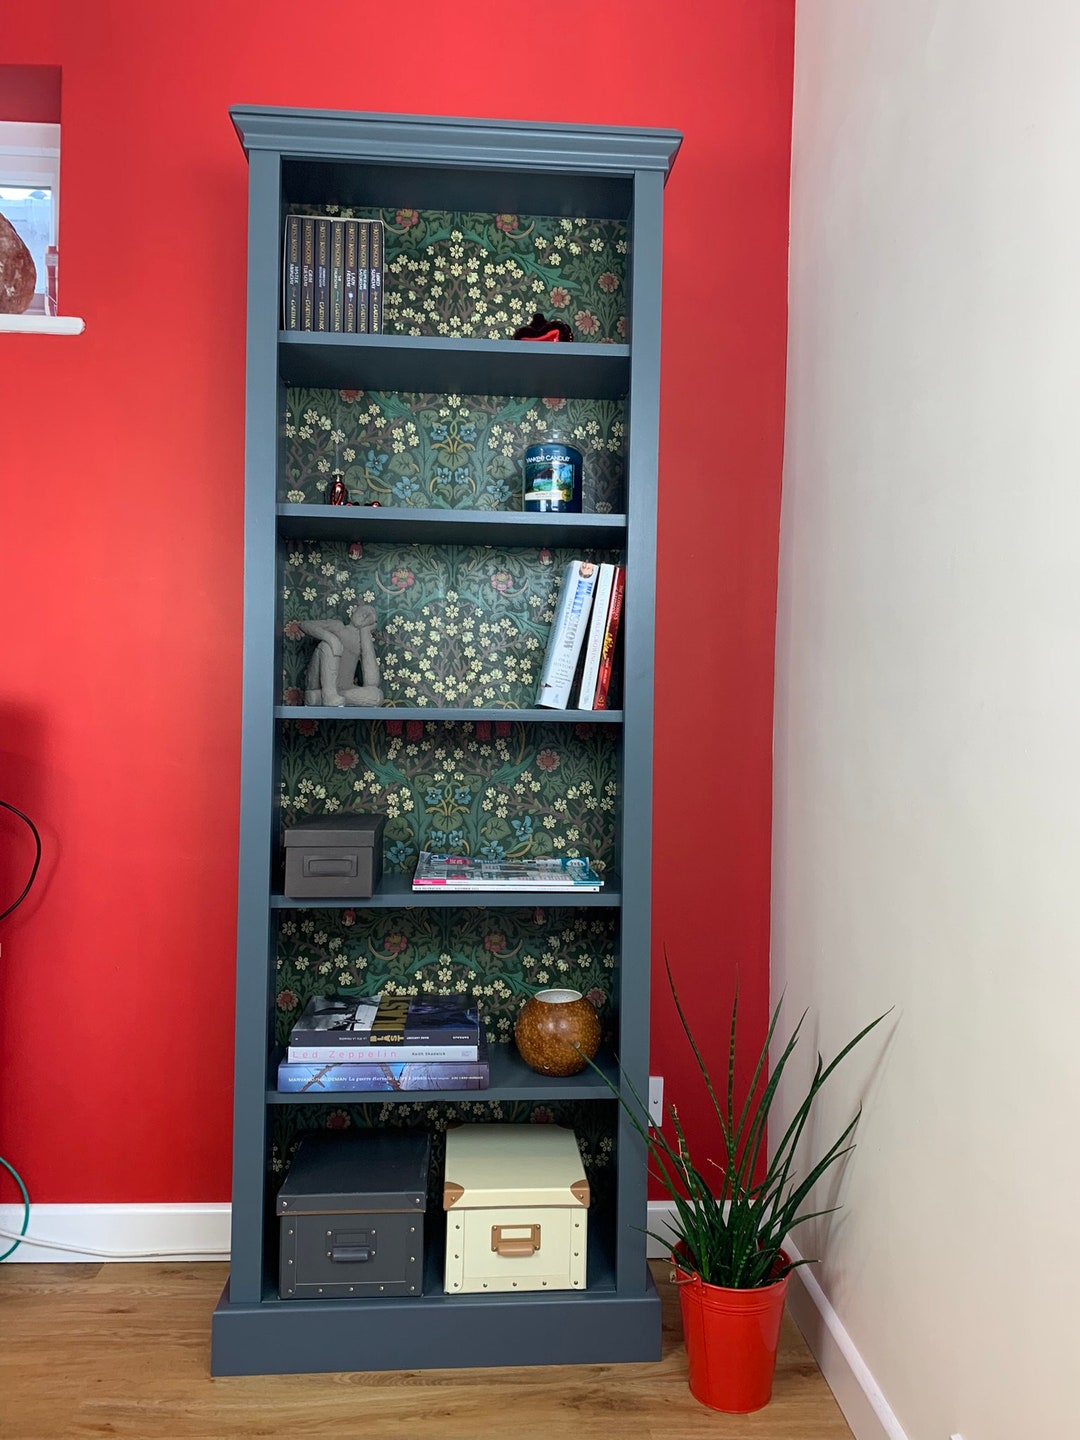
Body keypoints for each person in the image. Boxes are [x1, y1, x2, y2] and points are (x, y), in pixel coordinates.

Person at [301, 605, 383, 706]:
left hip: (344, 689)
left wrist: (365, 632)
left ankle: (321, 697)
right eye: (364, 612)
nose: (365, 616)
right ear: (354, 610)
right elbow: (305, 625)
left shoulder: (361, 641)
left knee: (377, 696)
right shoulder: (337, 626)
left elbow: (372, 682)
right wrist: (331, 638)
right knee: (327, 646)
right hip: (319, 684)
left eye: (370, 616)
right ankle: (328, 694)